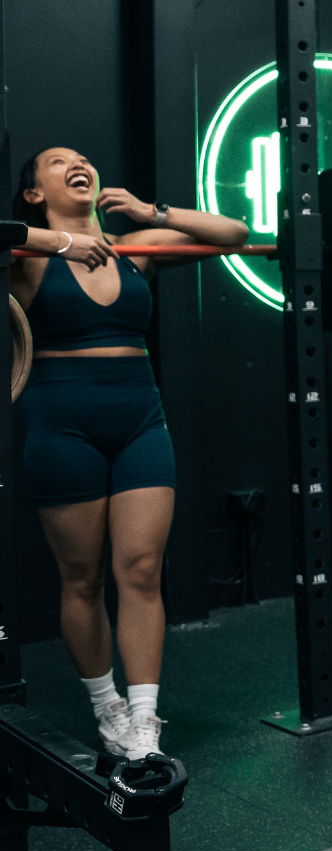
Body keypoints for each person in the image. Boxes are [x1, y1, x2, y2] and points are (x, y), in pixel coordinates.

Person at [9, 147, 247, 759]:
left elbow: (235, 234)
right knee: (82, 578)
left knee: (141, 571)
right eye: (57, 163)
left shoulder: (134, 248)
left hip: (140, 420)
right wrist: (57, 243)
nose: (77, 164)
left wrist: (150, 210)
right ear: (33, 194)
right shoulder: (25, 258)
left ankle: (143, 720)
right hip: (60, 424)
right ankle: (105, 706)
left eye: (83, 159)